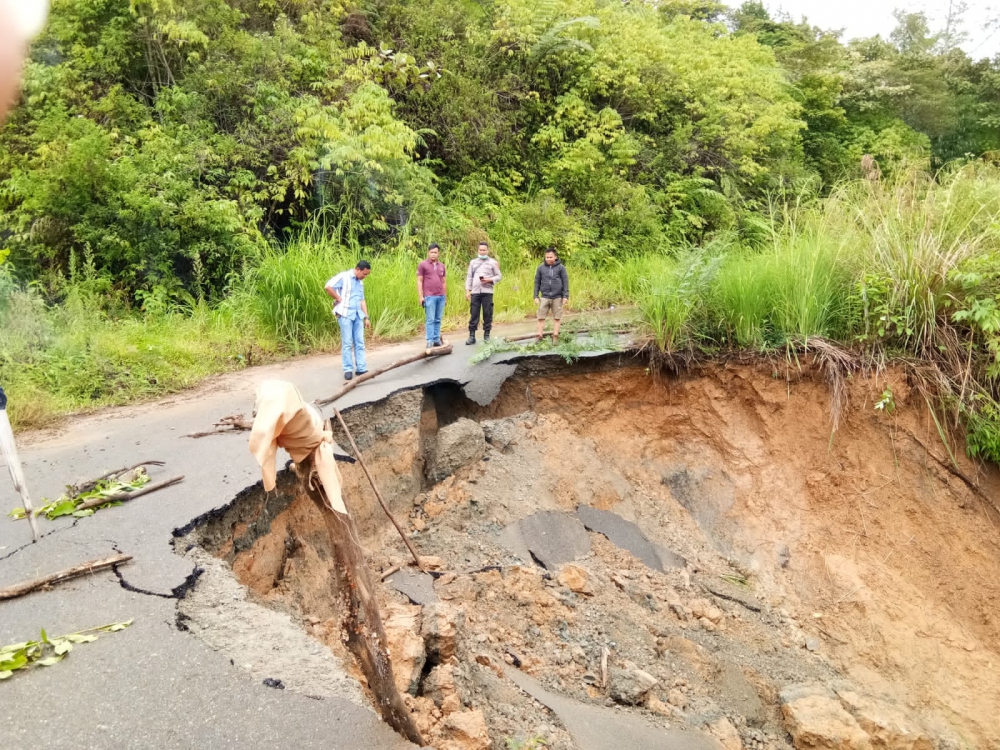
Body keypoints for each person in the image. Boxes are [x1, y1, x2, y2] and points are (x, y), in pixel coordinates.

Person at [325, 260, 372, 380]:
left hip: (357, 315)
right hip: (345, 314)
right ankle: (348, 369)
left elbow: (362, 300)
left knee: (359, 342)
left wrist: (366, 317)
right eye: (364, 274)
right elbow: (328, 287)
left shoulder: (360, 283)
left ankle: (361, 368)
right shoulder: (344, 277)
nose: (365, 277)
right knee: (347, 342)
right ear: (358, 269)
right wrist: (338, 298)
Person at [465, 241, 502, 345]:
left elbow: (499, 276)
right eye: (480, 250)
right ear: (478, 250)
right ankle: (472, 336)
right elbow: (469, 277)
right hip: (475, 292)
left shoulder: (493, 262)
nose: (482, 252)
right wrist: (467, 291)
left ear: (487, 250)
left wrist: (489, 280)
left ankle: (486, 336)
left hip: (487, 292)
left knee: (487, 313)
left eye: (484, 250)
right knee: (474, 314)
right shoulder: (473, 262)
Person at [533, 247, 570, 342]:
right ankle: (539, 335)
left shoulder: (561, 267)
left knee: (557, 317)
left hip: (557, 296)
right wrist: (536, 296)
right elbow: (537, 282)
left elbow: (565, 282)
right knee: (541, 317)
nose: (549, 259)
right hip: (545, 296)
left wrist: (565, 296)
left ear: (555, 257)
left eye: (551, 257)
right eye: (547, 257)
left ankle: (555, 336)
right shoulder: (541, 268)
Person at [417, 243, 446, 348]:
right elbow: (419, 281)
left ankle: (436, 339)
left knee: (438, 319)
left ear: (439, 253)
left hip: (441, 296)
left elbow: (443, 282)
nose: (433, 254)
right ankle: (429, 341)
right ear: (428, 253)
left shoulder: (442, 266)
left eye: (435, 252)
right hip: (429, 296)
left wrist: (445, 296)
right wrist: (420, 296)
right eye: (431, 252)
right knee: (430, 319)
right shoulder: (423, 265)